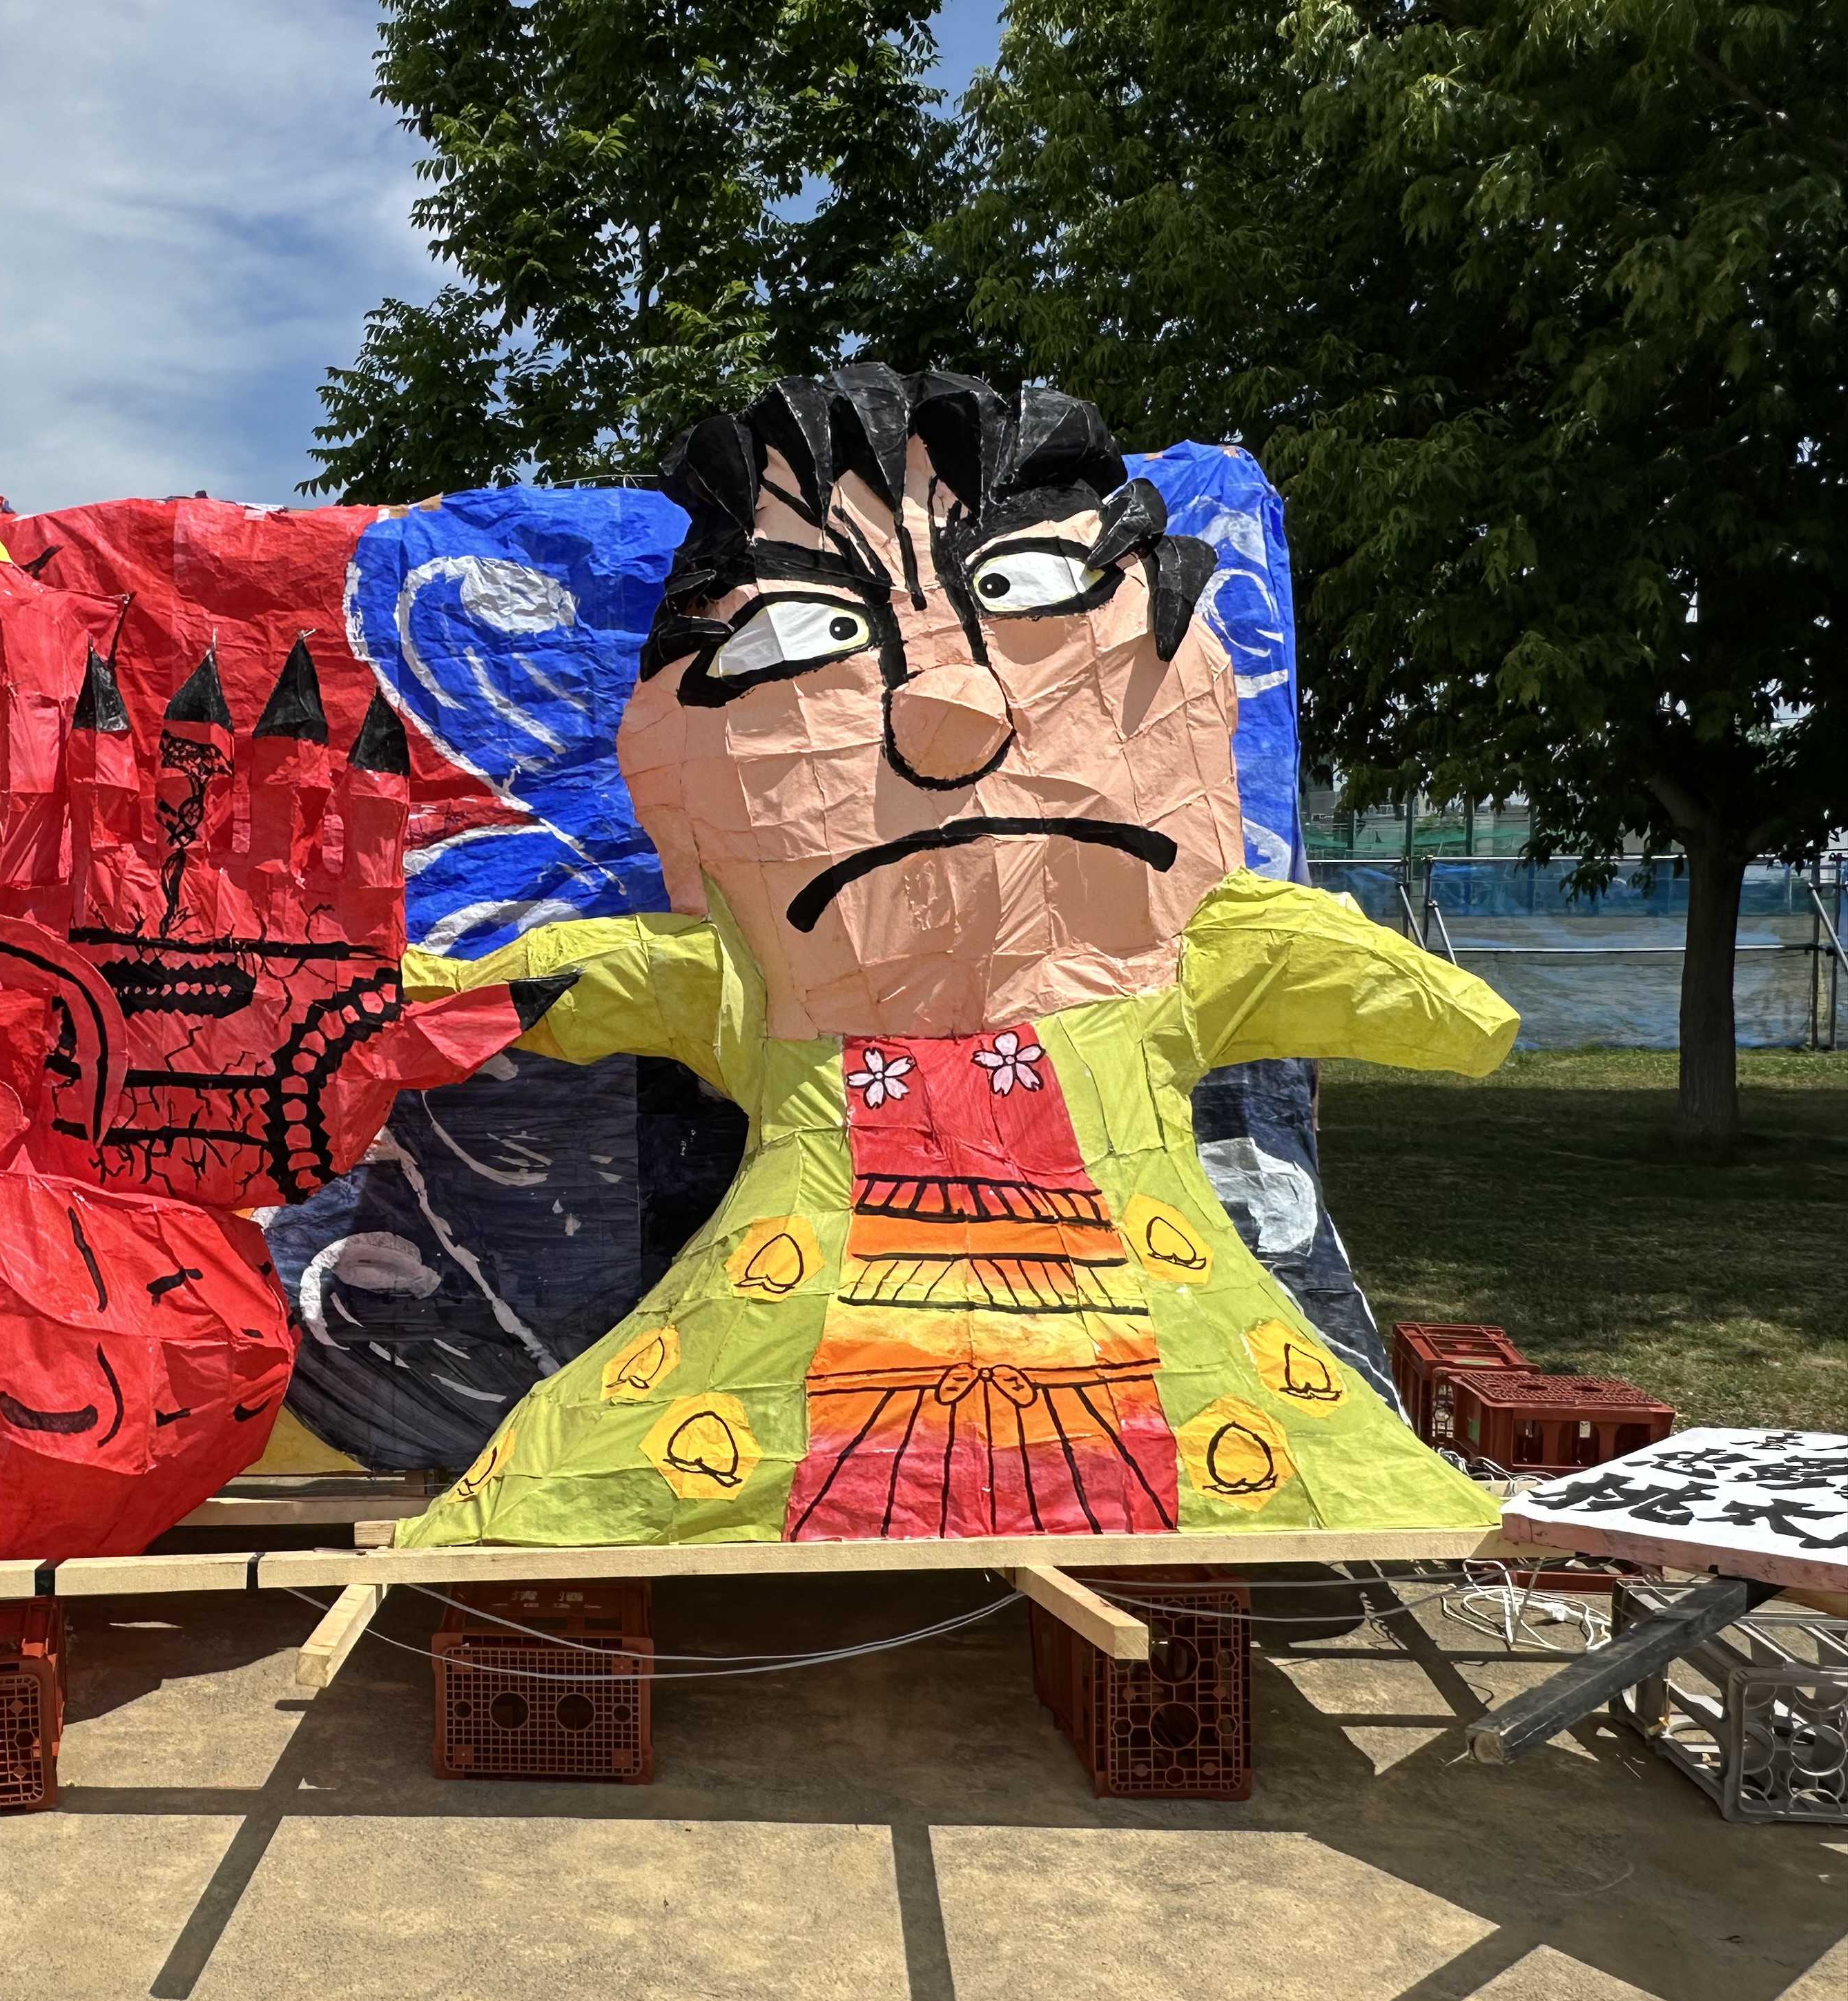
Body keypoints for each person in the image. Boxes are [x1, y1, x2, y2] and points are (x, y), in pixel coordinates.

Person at [398, 367, 1514, 1548]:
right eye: (808, 632)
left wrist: (1432, 999)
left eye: (1031, 591)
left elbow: (1419, 1003)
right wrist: (388, 1000)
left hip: (1177, 1401)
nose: (952, 719)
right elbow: (551, 982)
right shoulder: (749, 983)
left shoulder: (1197, 956)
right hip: (763, 1386)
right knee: (588, 1471)